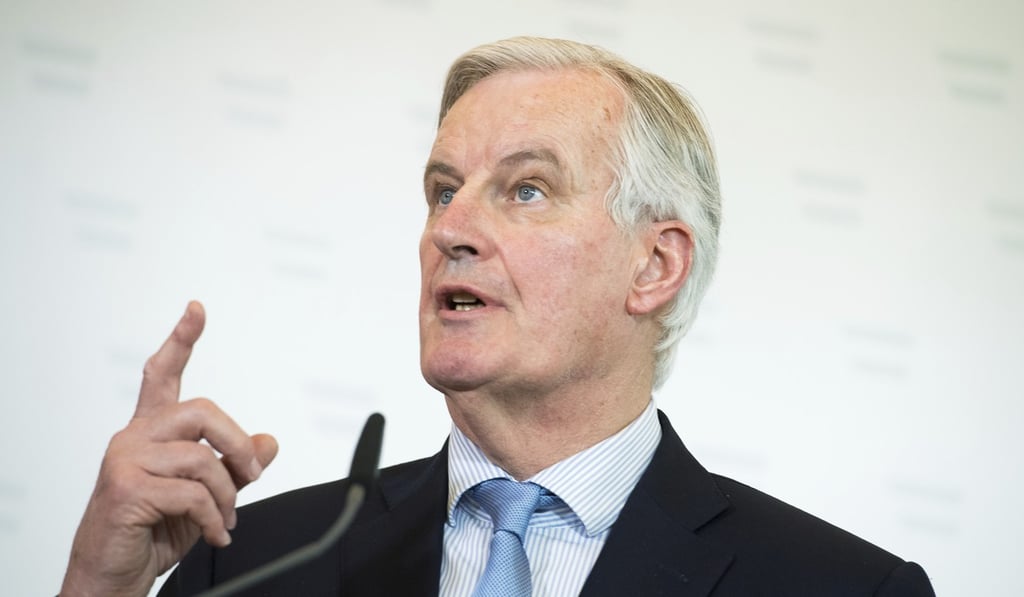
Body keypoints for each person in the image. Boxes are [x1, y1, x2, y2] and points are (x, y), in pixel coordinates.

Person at [60, 37, 935, 597]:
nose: (450, 228)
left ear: (655, 265)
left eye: (525, 188)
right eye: (443, 190)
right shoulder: (251, 562)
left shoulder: (839, 589)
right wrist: (99, 588)